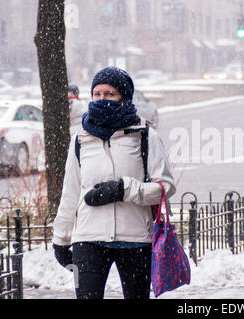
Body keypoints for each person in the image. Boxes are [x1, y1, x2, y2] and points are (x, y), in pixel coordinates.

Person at [52, 66, 176, 299]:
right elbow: (70, 192)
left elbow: (165, 187)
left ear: (124, 97)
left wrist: (124, 190)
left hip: (136, 239)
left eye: (110, 94)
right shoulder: (80, 139)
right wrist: (61, 238)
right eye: (97, 94)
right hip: (88, 240)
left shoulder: (145, 135)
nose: (102, 99)